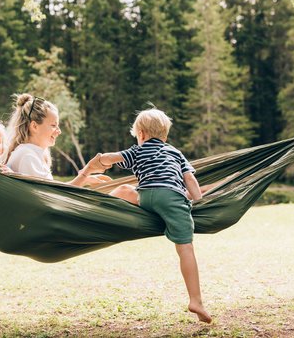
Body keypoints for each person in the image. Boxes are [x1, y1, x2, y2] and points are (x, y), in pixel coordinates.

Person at [81, 107, 212, 323]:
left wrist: (99, 161)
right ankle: (196, 300)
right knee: (185, 249)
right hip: (171, 200)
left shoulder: (137, 151)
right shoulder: (175, 153)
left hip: (146, 196)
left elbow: (112, 158)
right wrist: (198, 200)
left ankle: (97, 208)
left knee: (125, 190)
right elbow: (190, 180)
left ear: (140, 134)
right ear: (165, 136)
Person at [3, 93, 106, 186]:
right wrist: (87, 171)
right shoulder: (28, 156)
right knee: (122, 190)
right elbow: (54, 196)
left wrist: (85, 180)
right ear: (34, 126)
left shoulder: (31, 153)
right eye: (53, 125)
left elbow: (54, 191)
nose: (59, 131)